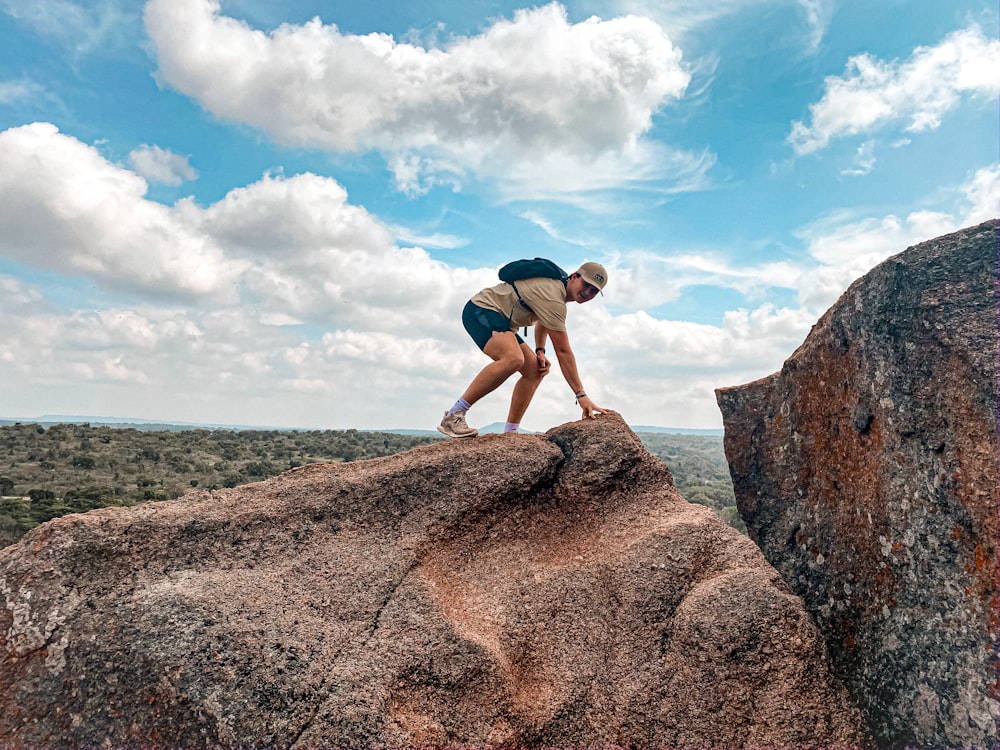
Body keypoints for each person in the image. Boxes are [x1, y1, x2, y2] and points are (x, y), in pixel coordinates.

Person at [438, 261, 610, 438]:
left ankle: (510, 432)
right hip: (482, 309)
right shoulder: (553, 296)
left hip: (502, 321)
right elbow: (563, 351)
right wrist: (581, 396)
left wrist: (540, 351)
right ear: (574, 276)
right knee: (513, 358)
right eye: (586, 285)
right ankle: (454, 416)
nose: (588, 292)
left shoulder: (557, 293)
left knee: (536, 370)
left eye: (594, 291)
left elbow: (545, 320)